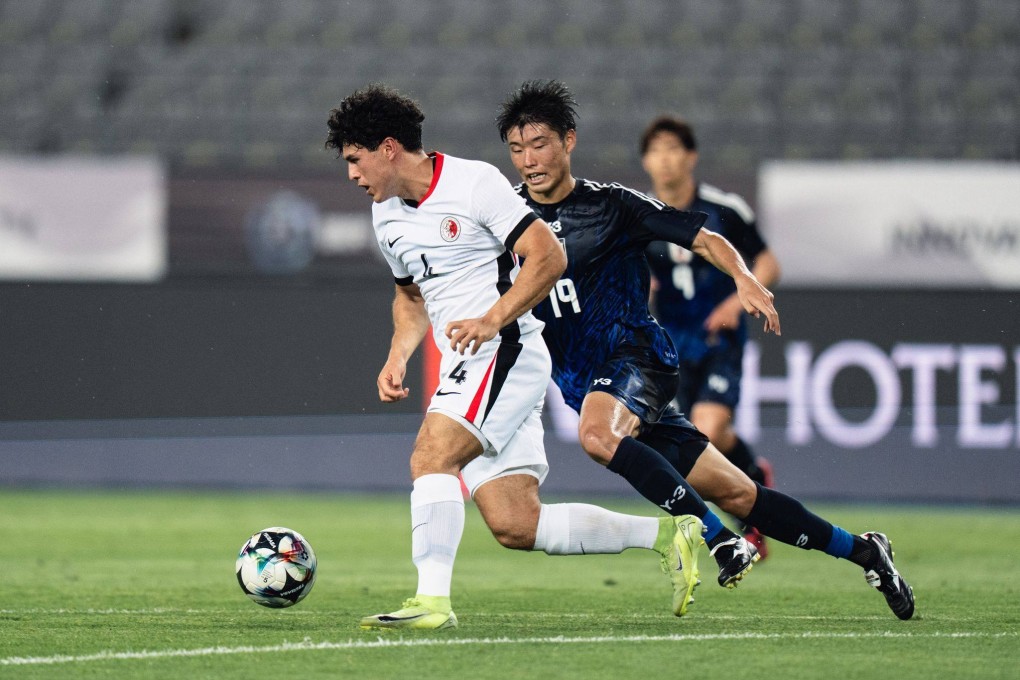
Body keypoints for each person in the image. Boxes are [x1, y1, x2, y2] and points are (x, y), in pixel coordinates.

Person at [495, 80, 915, 620]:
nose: (529, 160)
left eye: (540, 144)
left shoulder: (613, 206)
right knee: (741, 494)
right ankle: (866, 551)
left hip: (637, 360)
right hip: (590, 386)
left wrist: (743, 278)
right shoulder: (506, 218)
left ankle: (718, 539)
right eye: (517, 149)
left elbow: (704, 238)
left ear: (568, 140)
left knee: (597, 437)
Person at [325, 84, 712, 630]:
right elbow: (410, 297)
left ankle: (431, 602)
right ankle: (671, 533)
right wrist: (398, 354)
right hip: (470, 359)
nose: (352, 174)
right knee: (515, 524)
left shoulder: (474, 183)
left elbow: (547, 256)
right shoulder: (385, 215)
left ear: (388, 148)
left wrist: (492, 319)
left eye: (354, 159)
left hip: (505, 348)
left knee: (431, 457)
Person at [641, 116, 781, 559]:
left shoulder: (724, 209)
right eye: (655, 150)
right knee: (700, 443)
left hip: (719, 339)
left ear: (691, 157)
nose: (665, 159)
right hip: (671, 344)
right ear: (646, 161)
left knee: (706, 430)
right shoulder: (639, 214)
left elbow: (767, 264)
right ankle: (753, 477)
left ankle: (742, 518)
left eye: (673, 148)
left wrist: (736, 301)